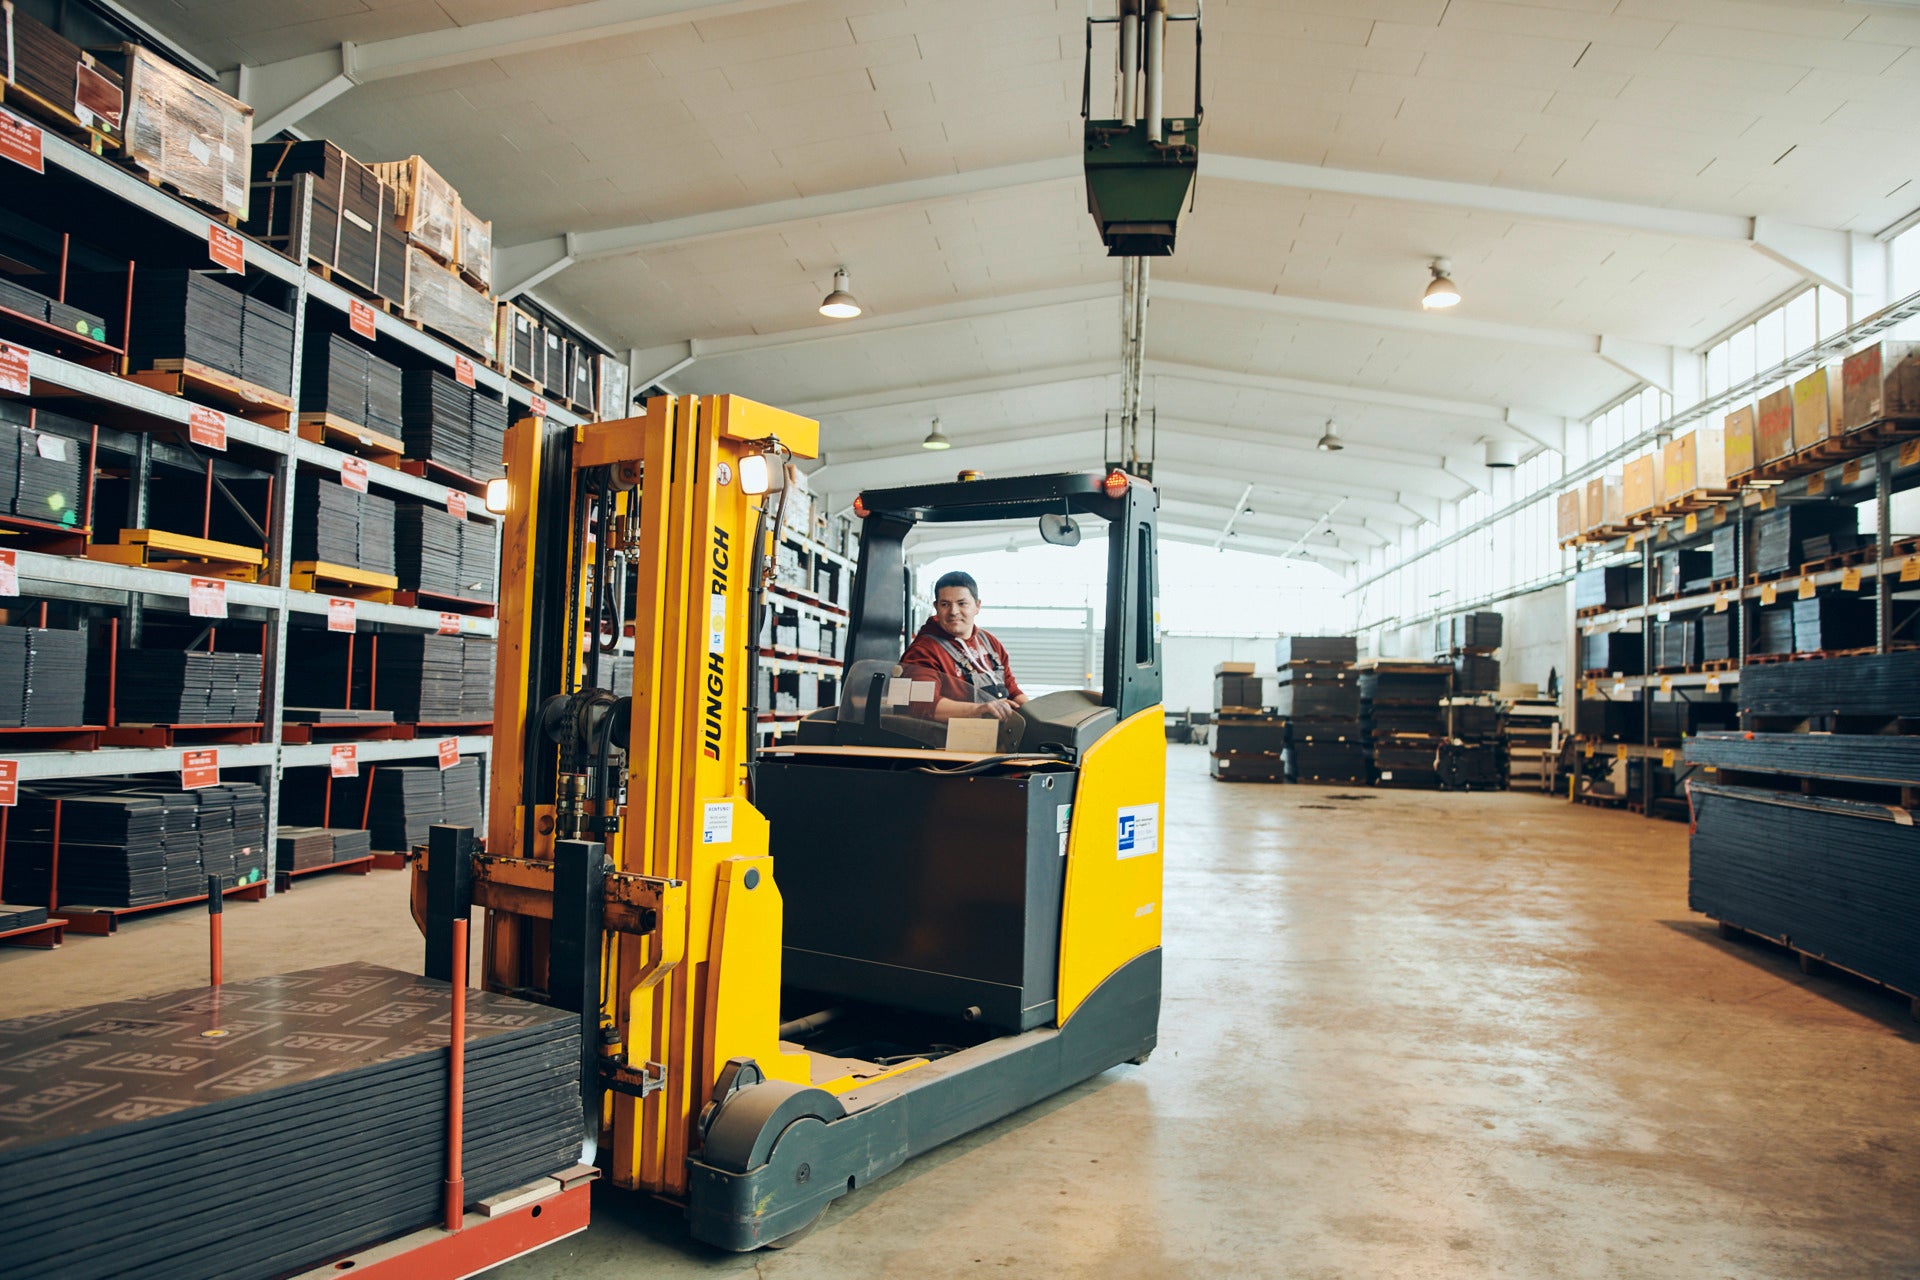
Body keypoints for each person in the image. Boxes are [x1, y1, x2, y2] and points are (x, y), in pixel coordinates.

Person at [900, 570, 1029, 722]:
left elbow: (1011, 689)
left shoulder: (990, 643)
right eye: (945, 604)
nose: (953, 611)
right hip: (948, 742)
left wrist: (1038, 716)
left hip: (996, 738)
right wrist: (979, 710)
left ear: (977, 606)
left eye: (962, 603)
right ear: (936, 607)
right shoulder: (922, 652)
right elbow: (921, 706)